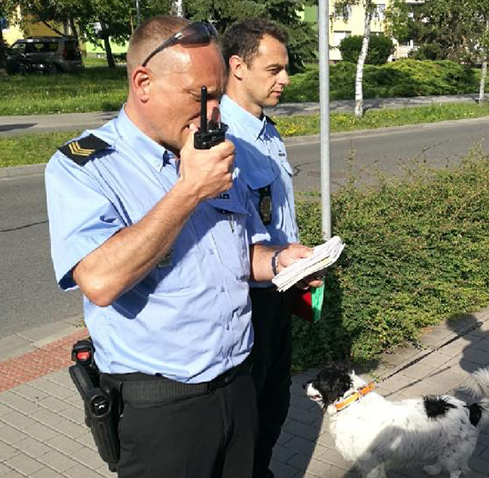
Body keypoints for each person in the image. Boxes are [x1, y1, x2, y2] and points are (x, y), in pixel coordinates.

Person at [44, 15, 317, 478]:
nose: (214, 113)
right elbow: (100, 281)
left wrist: (278, 261)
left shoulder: (213, 148)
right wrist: (188, 191)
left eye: (217, 94)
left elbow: (237, 254)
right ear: (143, 83)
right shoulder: (87, 166)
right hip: (162, 407)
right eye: (199, 97)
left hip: (238, 382)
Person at [220, 18, 296, 478]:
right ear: (238, 66)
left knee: (274, 406)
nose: (284, 80)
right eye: (273, 69)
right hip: (246, 297)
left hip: (280, 289)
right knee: (246, 418)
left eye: (284, 69)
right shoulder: (221, 139)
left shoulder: (265, 129)